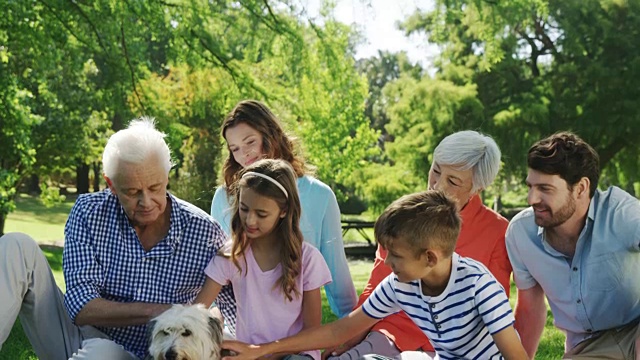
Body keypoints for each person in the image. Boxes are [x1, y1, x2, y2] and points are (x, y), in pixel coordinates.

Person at [0, 117, 226, 359]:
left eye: (155, 187)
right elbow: (80, 304)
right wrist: (166, 312)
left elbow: (228, 308)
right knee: (16, 246)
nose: (146, 202)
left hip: (162, 352)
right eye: (132, 192)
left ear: (167, 176)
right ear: (111, 185)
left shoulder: (204, 231)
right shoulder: (89, 212)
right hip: (81, 338)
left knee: (103, 353)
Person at [222, 190, 528, 360]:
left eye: (396, 254)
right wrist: (262, 350)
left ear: (430, 257)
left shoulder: (479, 286)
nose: (387, 261)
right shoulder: (400, 284)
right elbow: (339, 331)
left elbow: (515, 357)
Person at [326, 130, 512, 359]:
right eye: (435, 170)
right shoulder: (404, 216)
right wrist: (348, 341)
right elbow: (375, 286)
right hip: (393, 334)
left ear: (477, 189)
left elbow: (493, 313)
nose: (436, 186)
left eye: (452, 181)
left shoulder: (497, 231)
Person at [210, 100, 357, 334]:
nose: (244, 154)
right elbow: (220, 275)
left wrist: (353, 332)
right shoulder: (223, 197)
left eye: (250, 142)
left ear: (271, 136)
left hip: (298, 337)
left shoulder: (319, 195)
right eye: (234, 148)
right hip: (241, 335)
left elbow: (338, 275)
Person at [506, 131, 640, 359]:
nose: (531, 199)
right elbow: (530, 310)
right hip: (589, 346)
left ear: (580, 188)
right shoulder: (521, 234)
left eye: (545, 189)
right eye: (530, 186)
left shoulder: (622, 214)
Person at [195, 158, 331, 360]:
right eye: (244, 209)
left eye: (261, 214)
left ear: (283, 211)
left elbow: (312, 333)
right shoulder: (231, 256)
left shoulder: (308, 259)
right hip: (248, 355)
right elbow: (197, 311)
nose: (250, 220)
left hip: (295, 355)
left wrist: (267, 352)